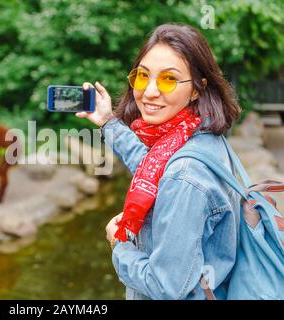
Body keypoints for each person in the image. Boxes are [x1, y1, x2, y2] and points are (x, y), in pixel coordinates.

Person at [76, 23, 242, 300]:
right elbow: (154, 165)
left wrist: (120, 246)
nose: (149, 91)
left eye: (168, 79)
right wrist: (108, 122)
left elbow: (165, 287)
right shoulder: (201, 136)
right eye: (143, 76)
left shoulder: (184, 177)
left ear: (197, 89)